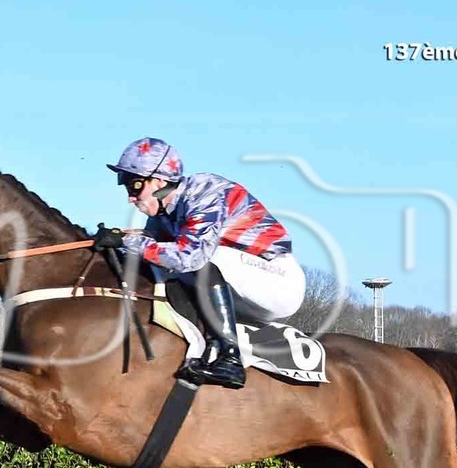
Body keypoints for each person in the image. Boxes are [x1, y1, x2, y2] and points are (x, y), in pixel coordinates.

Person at [95, 138, 306, 389]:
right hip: (240, 286)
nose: (130, 198)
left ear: (159, 181)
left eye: (135, 185)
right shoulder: (163, 216)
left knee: (203, 258)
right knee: (162, 263)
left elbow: (190, 256)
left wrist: (129, 242)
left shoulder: (204, 192)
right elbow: (153, 247)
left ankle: (230, 358)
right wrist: (117, 240)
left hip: (277, 279)